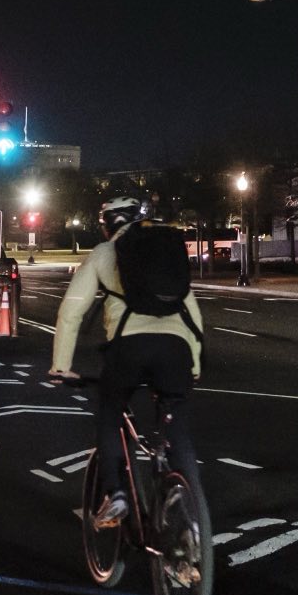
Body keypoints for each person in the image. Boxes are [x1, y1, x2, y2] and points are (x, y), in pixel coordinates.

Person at [49, 197, 205, 529]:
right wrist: (194, 363)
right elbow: (192, 312)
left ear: (107, 225)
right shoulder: (165, 250)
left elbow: (71, 312)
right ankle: (188, 504)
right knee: (176, 423)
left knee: (111, 412)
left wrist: (61, 365)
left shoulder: (104, 254)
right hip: (176, 348)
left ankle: (116, 494)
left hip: (128, 348)